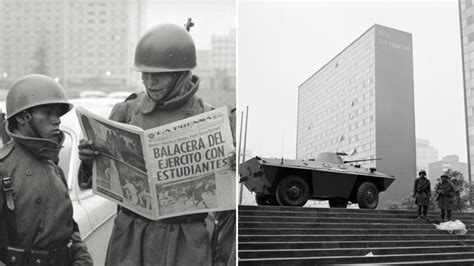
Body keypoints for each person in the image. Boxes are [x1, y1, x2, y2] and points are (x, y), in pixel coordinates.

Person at [78, 22, 235, 265]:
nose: (149, 82)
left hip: (185, 243)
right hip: (132, 238)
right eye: (144, 74)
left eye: (158, 75)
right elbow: (95, 177)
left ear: (181, 74)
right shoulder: (127, 111)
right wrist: (88, 159)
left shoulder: (209, 119)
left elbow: (227, 197)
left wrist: (232, 166)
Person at [0, 74, 92, 265]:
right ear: (23, 117)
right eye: (48, 112)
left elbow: (68, 228)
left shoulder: (52, 165)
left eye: (57, 113)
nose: (57, 120)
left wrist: (81, 257)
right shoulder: (4, 168)